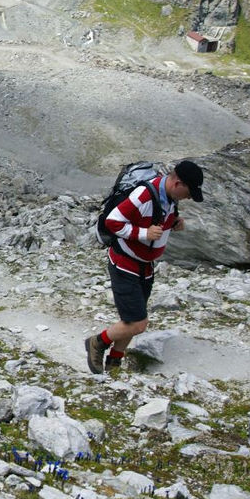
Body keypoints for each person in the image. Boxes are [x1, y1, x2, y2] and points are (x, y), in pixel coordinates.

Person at [84, 160, 204, 374]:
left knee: (131, 319)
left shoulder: (169, 197)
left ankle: (114, 362)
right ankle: (96, 342)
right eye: (189, 192)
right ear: (178, 183)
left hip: (145, 266)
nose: (189, 197)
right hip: (125, 263)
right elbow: (113, 221)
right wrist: (143, 234)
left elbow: (159, 219)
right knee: (138, 323)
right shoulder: (144, 195)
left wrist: (175, 223)